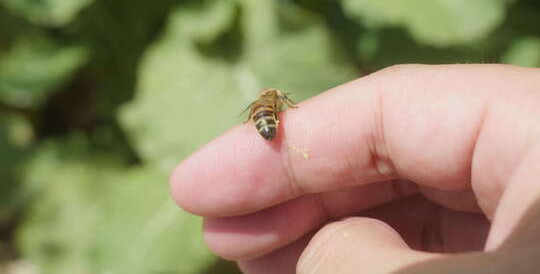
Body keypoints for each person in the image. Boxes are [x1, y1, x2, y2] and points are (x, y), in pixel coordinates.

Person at [170, 64, 540, 273]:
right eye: (274, 103)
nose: (275, 103)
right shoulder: (277, 104)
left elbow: (260, 110)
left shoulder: (263, 106)